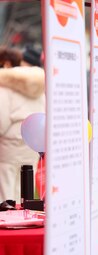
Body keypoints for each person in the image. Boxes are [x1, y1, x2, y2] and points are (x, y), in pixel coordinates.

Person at [0, 46, 45, 202]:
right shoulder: (39, 87)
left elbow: (2, 122)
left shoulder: (5, 87)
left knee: (6, 192)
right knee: (26, 189)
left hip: (8, 147)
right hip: (31, 145)